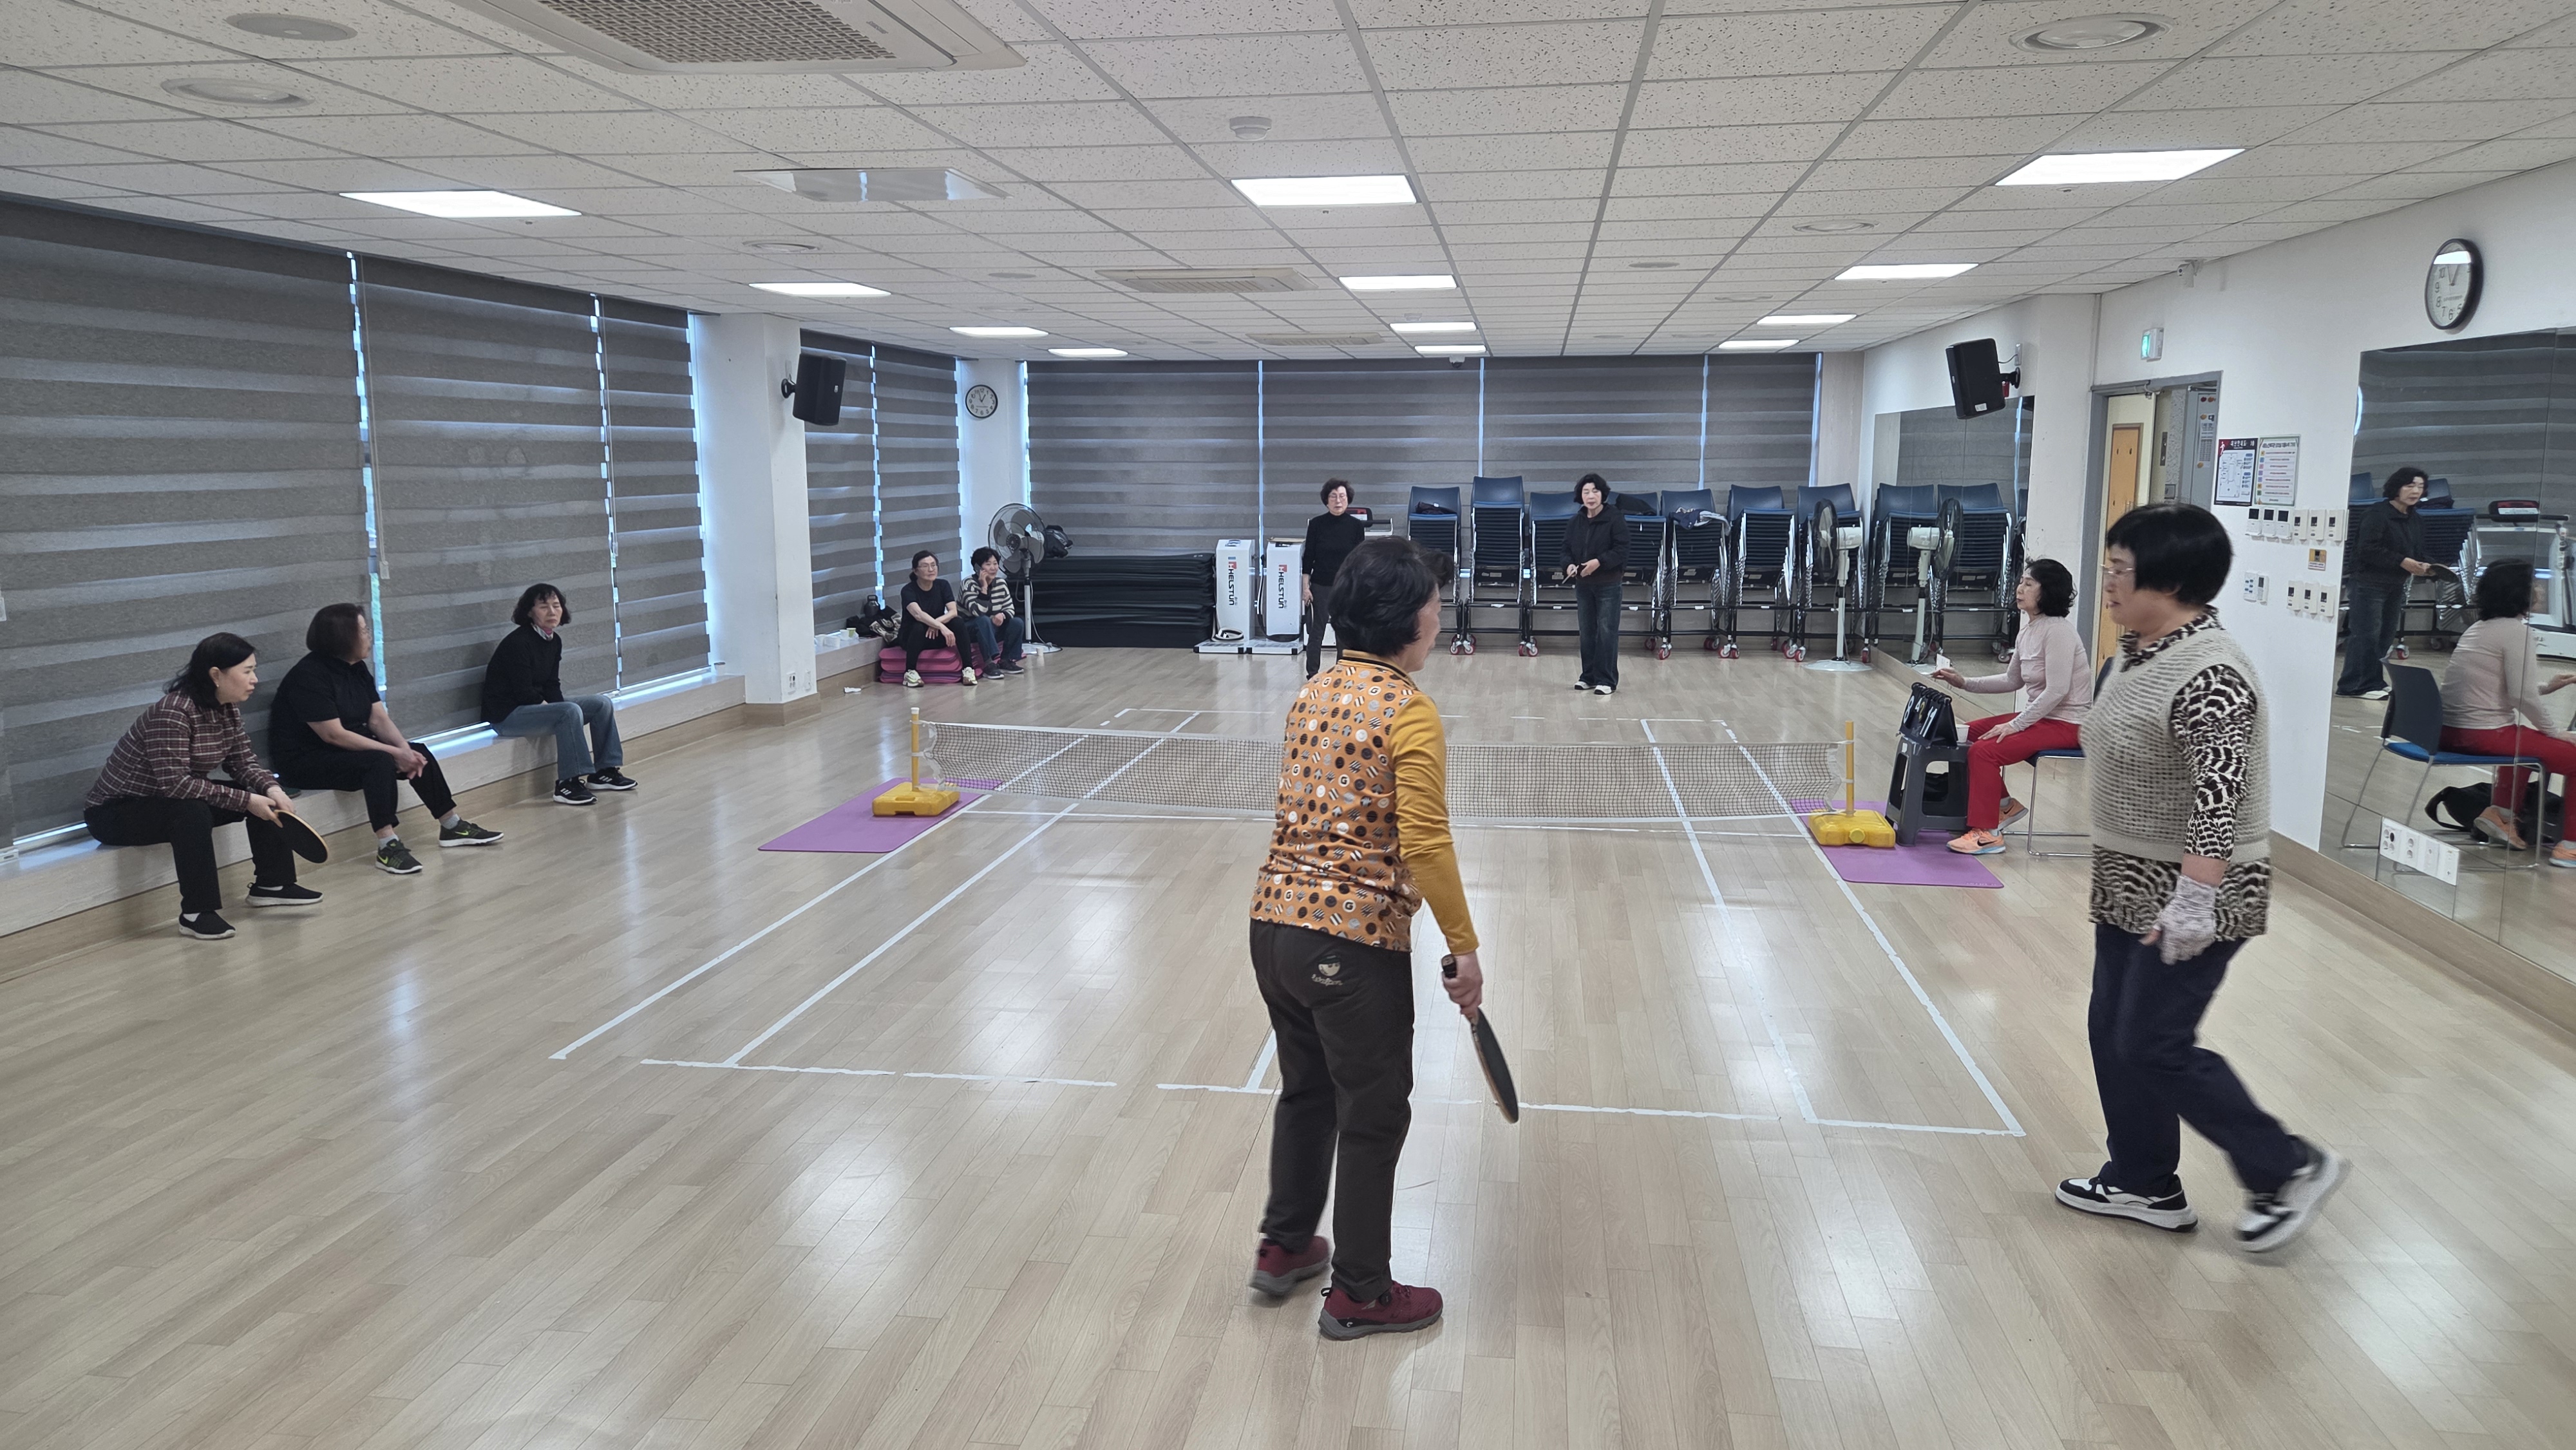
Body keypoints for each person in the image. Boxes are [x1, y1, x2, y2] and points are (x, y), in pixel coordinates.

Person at [2058, 502, 2345, 1253]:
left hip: (2196, 887)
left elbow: (2219, 796)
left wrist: (2195, 898)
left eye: (2121, 570)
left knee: (2153, 1041)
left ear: (2172, 582)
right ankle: (2142, 1178)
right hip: (2129, 877)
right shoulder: (2136, 652)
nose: (2108, 582)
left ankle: (2286, 1166)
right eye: (2110, 566)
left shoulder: (2212, 671)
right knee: (2112, 1032)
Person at [1247, 536, 1482, 1339]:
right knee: (1374, 1114)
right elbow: (1425, 840)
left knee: (1308, 1090)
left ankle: (1284, 1245)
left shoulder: (1310, 692)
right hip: (1349, 944)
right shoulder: (1409, 710)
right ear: (1407, 619)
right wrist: (1465, 945)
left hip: (1272, 929)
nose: (1439, 617)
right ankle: (1360, 1291)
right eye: (1434, 604)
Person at [84, 632, 318, 939]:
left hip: (169, 799)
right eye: (247, 671)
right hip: (114, 812)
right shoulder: (173, 712)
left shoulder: (227, 708)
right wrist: (247, 801)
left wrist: (271, 789)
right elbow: (176, 785)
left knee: (257, 795)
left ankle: (272, 885)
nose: (255, 680)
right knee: (192, 812)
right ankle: (196, 913)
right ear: (216, 675)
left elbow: (242, 762)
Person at [272, 603, 502, 874]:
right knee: (379, 761)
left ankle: (451, 825)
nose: (369, 636)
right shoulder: (308, 676)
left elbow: (378, 719)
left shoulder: (356, 668)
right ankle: (388, 845)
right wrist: (394, 753)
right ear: (343, 636)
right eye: (363, 631)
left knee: (418, 750)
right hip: (305, 761)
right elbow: (333, 734)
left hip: (343, 751)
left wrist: (405, 751)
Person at [1934, 559, 2092, 856]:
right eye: (2021, 582)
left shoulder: (2058, 632)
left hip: (2069, 725)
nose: (2020, 589)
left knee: (1984, 751)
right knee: (1967, 734)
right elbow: (2012, 680)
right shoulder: (2028, 630)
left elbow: (2057, 691)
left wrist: (2016, 724)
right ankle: (2004, 805)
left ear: (2048, 591)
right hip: (2044, 719)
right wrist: (1964, 682)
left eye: (2029, 584)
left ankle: (1988, 834)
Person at [2438, 558, 2576, 863]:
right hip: (2482, 735)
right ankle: (2570, 846)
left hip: (2450, 732)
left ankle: (2501, 815)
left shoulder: (2480, 628)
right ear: (2518, 592)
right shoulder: (2516, 632)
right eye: (2535, 584)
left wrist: (2546, 687)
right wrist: (2553, 732)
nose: (2540, 589)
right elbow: (2520, 695)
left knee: (2525, 743)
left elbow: (2504, 688)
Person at [482, 584, 634, 807]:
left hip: (532, 708)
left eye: (556, 605)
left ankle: (604, 772)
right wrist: (557, 711)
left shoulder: (554, 640)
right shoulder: (518, 643)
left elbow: (552, 685)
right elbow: (523, 692)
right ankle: (568, 784)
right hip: (507, 716)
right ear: (529, 612)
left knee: (601, 704)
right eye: (544, 607)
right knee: (569, 711)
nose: (552, 612)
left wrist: (558, 709)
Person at [2340, 466, 2433, 701]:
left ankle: (2373, 682)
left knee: (2385, 635)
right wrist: (2402, 561)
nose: (2416, 491)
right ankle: (2353, 685)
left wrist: (2429, 566)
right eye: (2410, 486)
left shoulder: (2415, 519)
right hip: (2368, 583)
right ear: (2397, 487)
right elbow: (2367, 550)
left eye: (2420, 487)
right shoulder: (2377, 514)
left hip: (2395, 584)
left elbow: (2416, 551)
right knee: (2366, 635)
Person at [1562, 473, 1627, 695]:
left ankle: (1607, 680)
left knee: (1607, 631)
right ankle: (1588, 676)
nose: (1591, 496)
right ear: (1580, 496)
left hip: (1608, 584)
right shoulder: (1575, 522)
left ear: (1603, 494)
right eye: (1586, 492)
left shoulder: (1615, 518)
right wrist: (1569, 566)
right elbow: (1565, 550)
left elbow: (1621, 550)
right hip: (1583, 585)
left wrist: (1599, 562)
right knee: (1587, 632)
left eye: (1595, 491)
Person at [1300, 479, 1368, 677]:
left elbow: (1359, 560)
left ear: (1348, 499)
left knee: (1343, 634)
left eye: (1342, 496)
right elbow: (1308, 558)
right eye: (1333, 497)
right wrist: (1305, 587)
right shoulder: (1316, 524)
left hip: (1346, 587)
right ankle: (1312, 674)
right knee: (1317, 631)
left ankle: (1342, 674)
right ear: (1326, 500)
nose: (1338, 501)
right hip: (1320, 585)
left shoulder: (1356, 526)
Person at [895, 549, 970, 688]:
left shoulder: (943, 585)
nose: (931, 569)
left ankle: (968, 669)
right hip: (913, 637)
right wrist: (940, 626)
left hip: (934, 635)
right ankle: (910, 672)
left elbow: (953, 612)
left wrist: (936, 624)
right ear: (915, 571)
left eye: (933, 565)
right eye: (925, 566)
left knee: (958, 622)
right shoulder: (908, 590)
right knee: (918, 626)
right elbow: (918, 615)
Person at [961, 547, 1027, 677]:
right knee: (983, 620)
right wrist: (984, 588)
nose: (993, 568)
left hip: (992, 627)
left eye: (995, 564)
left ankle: (1006, 660)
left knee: (1017, 622)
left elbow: (1010, 609)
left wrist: (1002, 615)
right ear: (978, 568)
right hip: (971, 628)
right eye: (988, 564)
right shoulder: (968, 584)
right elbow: (976, 612)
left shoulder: (1001, 583)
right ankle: (989, 664)